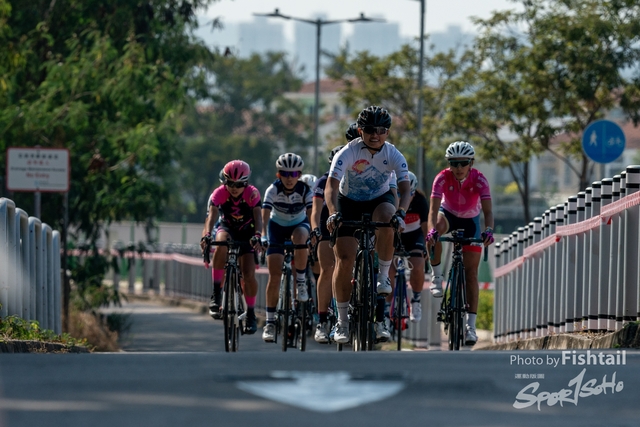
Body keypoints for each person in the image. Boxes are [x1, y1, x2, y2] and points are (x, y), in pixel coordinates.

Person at [325, 106, 411, 344]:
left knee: (388, 216)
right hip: (348, 202)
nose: (375, 135)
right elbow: (331, 186)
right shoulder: (349, 152)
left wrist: (401, 213)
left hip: (378, 200)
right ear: (360, 131)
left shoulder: (393, 154)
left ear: (387, 132)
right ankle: (342, 321)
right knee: (344, 259)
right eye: (370, 130)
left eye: (381, 130)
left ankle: (382, 276)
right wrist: (333, 213)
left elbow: (405, 189)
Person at [425, 141, 494, 346]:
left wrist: (489, 230)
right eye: (454, 163)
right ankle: (437, 277)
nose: (458, 168)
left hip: (470, 220)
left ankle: (470, 327)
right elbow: (432, 211)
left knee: (471, 274)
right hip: (447, 215)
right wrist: (432, 231)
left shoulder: (480, 179)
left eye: (463, 163)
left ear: (471, 163)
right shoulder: (441, 178)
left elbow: (488, 212)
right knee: (435, 230)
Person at [200, 160, 262, 334]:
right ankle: (216, 292)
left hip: (247, 231)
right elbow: (211, 217)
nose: (234, 188)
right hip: (227, 227)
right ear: (224, 181)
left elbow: (258, 218)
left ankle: (251, 314)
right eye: (230, 183)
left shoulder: (252, 194)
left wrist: (258, 235)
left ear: (246, 183)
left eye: (239, 184)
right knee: (221, 244)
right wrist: (207, 234)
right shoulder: (219, 193)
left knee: (248, 274)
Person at [261, 153, 313, 342]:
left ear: (299, 175)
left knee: (301, 237)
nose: (289, 178)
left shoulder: (305, 190)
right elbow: (264, 215)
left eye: (294, 174)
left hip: (299, 224)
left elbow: (311, 213)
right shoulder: (272, 190)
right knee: (274, 274)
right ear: (279, 174)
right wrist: (263, 236)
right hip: (276, 227)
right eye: (285, 174)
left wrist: (313, 234)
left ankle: (301, 282)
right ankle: (270, 323)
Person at [389, 171, 429, 323]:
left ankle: (416, 300)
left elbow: (425, 227)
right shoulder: (390, 198)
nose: (403, 197)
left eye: (409, 193)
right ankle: (386, 305)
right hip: (395, 235)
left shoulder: (420, 200)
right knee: (388, 271)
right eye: (399, 193)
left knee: (417, 263)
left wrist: (426, 247)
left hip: (414, 236)